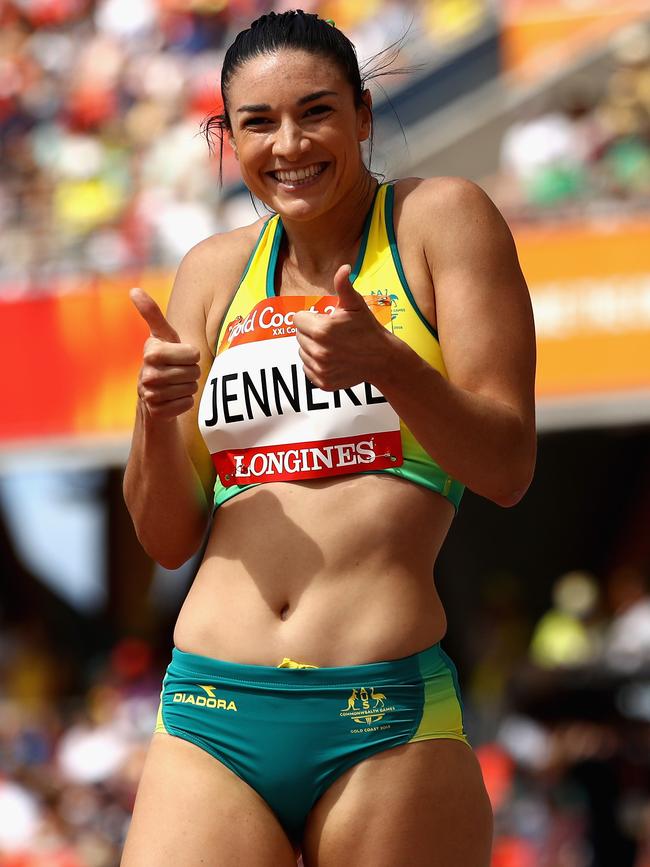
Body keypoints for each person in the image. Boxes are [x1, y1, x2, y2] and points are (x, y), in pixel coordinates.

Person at [121, 10, 536, 866]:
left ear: (364, 116)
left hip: (382, 715)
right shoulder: (211, 269)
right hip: (210, 712)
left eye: (316, 112)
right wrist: (153, 416)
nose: (289, 145)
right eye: (257, 124)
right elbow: (166, 540)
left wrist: (385, 360)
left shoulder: (440, 220)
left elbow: (507, 466)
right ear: (228, 140)